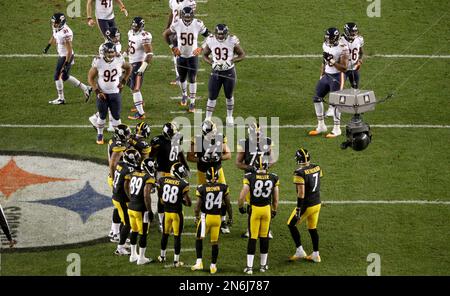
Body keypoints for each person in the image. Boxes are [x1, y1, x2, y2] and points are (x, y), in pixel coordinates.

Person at [187, 119, 232, 234]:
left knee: (222, 196)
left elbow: (228, 154)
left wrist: (220, 157)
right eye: (211, 132)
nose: (213, 134)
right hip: (202, 171)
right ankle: (201, 219)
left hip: (217, 171)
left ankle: (223, 221)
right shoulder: (197, 139)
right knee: (202, 197)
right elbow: (190, 157)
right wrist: (201, 159)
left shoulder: (220, 137)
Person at [163, 6, 209, 112]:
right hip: (181, 56)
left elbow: (209, 36)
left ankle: (192, 102)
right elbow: (165, 34)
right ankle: (184, 95)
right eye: (186, 17)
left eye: (189, 17)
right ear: (182, 16)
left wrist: (201, 48)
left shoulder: (197, 23)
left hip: (193, 56)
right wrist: (173, 47)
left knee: (192, 79)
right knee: (182, 78)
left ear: (192, 16)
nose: (187, 19)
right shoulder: (177, 23)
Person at [238, 156, 279, 274]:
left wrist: (241, 207)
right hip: (266, 209)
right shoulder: (273, 177)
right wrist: (274, 210)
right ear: (267, 166)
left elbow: (242, 196)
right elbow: (275, 199)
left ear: (255, 166)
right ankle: (263, 266)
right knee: (264, 237)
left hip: (254, 210)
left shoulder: (249, 177)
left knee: (252, 237)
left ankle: (249, 267)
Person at [236, 122, 275, 239]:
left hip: (264, 177)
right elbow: (238, 163)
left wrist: (265, 167)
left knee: (266, 202)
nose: (258, 137)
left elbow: (273, 159)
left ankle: (267, 230)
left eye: (259, 134)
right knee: (251, 205)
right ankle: (250, 229)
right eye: (256, 134)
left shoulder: (267, 141)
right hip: (250, 177)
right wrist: (250, 168)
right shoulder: (244, 143)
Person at [87, 42, 132, 144]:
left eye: (112, 52)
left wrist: (124, 81)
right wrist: (97, 91)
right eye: (108, 52)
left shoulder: (119, 59)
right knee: (102, 115)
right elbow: (90, 78)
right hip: (102, 93)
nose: (111, 54)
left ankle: (118, 135)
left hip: (115, 92)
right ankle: (100, 135)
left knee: (116, 116)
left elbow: (129, 67)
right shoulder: (98, 61)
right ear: (103, 52)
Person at [308, 27, 349, 138]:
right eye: (327, 38)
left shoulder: (343, 48)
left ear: (335, 38)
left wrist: (333, 61)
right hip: (327, 75)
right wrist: (321, 74)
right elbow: (324, 60)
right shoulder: (325, 44)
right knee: (317, 98)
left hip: (337, 76)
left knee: (335, 103)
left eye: (330, 39)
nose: (328, 40)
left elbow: (344, 68)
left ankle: (337, 129)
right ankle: (321, 125)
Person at [203, 24, 246, 126]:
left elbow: (242, 54)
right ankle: (208, 118)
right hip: (216, 72)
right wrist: (212, 63)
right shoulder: (211, 40)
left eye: (222, 34)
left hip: (229, 72)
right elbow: (204, 55)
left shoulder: (232, 40)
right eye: (219, 34)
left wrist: (231, 61)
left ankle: (229, 116)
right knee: (212, 95)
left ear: (226, 33)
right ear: (215, 33)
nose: (221, 36)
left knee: (229, 95)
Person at [44, 13, 92, 105]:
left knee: (57, 76)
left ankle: (61, 98)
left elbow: (69, 51)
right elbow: (54, 35)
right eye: (54, 22)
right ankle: (86, 88)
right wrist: (48, 46)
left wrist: (66, 63)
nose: (54, 24)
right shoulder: (57, 28)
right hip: (63, 55)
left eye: (56, 23)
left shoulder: (65, 33)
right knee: (64, 77)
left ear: (61, 22)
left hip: (65, 56)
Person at [150, 122, 190, 232]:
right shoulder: (158, 141)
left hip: (175, 173)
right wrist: (152, 176)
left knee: (176, 196)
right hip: (162, 173)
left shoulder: (177, 138)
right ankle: (162, 221)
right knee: (162, 199)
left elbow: (180, 153)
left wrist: (186, 167)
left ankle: (174, 219)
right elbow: (151, 159)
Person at [191, 167, 231, 274]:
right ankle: (213, 266)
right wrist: (230, 217)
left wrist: (196, 216)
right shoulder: (223, 187)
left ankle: (199, 262)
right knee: (214, 243)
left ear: (206, 177)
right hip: (217, 219)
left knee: (199, 238)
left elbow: (197, 207)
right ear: (217, 177)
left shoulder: (202, 188)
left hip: (206, 218)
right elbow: (228, 205)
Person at [287, 148, 323, 263]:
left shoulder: (299, 172)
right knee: (312, 228)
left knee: (291, 224)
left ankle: (300, 251)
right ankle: (316, 254)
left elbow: (301, 193)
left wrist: (298, 208)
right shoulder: (317, 167)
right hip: (317, 203)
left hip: (307, 205)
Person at [157, 162, 192, 267]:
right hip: (176, 214)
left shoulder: (162, 180)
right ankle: (176, 261)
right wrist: (181, 200)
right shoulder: (183, 184)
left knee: (165, 234)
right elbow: (188, 203)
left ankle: (162, 256)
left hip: (166, 213)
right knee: (177, 236)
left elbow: (162, 200)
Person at [89, 27, 123, 132]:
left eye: (117, 36)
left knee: (111, 101)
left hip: (112, 74)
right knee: (108, 100)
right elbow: (102, 63)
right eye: (114, 36)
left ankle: (98, 119)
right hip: (104, 76)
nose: (117, 38)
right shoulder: (104, 48)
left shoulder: (116, 45)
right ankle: (104, 122)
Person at [127, 158, 157, 265]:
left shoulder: (134, 174)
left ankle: (133, 255)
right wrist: (149, 210)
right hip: (141, 209)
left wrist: (132, 200)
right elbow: (146, 195)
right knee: (143, 233)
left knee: (133, 230)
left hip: (131, 207)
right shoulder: (149, 178)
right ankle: (141, 258)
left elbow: (129, 189)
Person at [111, 148, 141, 256]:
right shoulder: (128, 170)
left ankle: (122, 242)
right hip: (121, 199)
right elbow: (126, 186)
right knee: (128, 223)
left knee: (125, 222)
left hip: (117, 196)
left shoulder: (120, 164)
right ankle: (120, 248)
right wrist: (131, 197)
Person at [107, 124, 132, 242]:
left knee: (118, 206)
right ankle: (117, 233)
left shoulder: (114, 140)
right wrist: (113, 179)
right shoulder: (119, 147)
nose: (128, 136)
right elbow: (112, 164)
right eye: (127, 134)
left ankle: (114, 230)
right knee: (120, 204)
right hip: (117, 176)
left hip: (117, 175)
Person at [126, 17, 154, 120]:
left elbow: (150, 54)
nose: (134, 28)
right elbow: (130, 47)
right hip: (131, 62)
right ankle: (139, 102)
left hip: (139, 64)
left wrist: (141, 69)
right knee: (124, 80)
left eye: (136, 26)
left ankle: (141, 113)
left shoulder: (144, 36)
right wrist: (123, 54)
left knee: (135, 88)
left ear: (141, 27)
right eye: (133, 25)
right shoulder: (130, 33)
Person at [166, 0, 197, 86]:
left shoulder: (190, 2)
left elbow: (191, 17)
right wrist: (168, 27)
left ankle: (188, 71)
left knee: (186, 51)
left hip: (183, 30)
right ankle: (179, 75)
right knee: (175, 52)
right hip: (173, 29)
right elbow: (172, 14)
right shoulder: (172, 1)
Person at [339, 22, 364, 90]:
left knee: (355, 88)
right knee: (339, 89)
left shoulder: (359, 39)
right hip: (343, 69)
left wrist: (360, 60)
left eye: (355, 31)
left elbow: (361, 52)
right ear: (346, 31)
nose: (354, 33)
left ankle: (353, 101)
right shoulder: (340, 40)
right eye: (352, 31)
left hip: (354, 69)